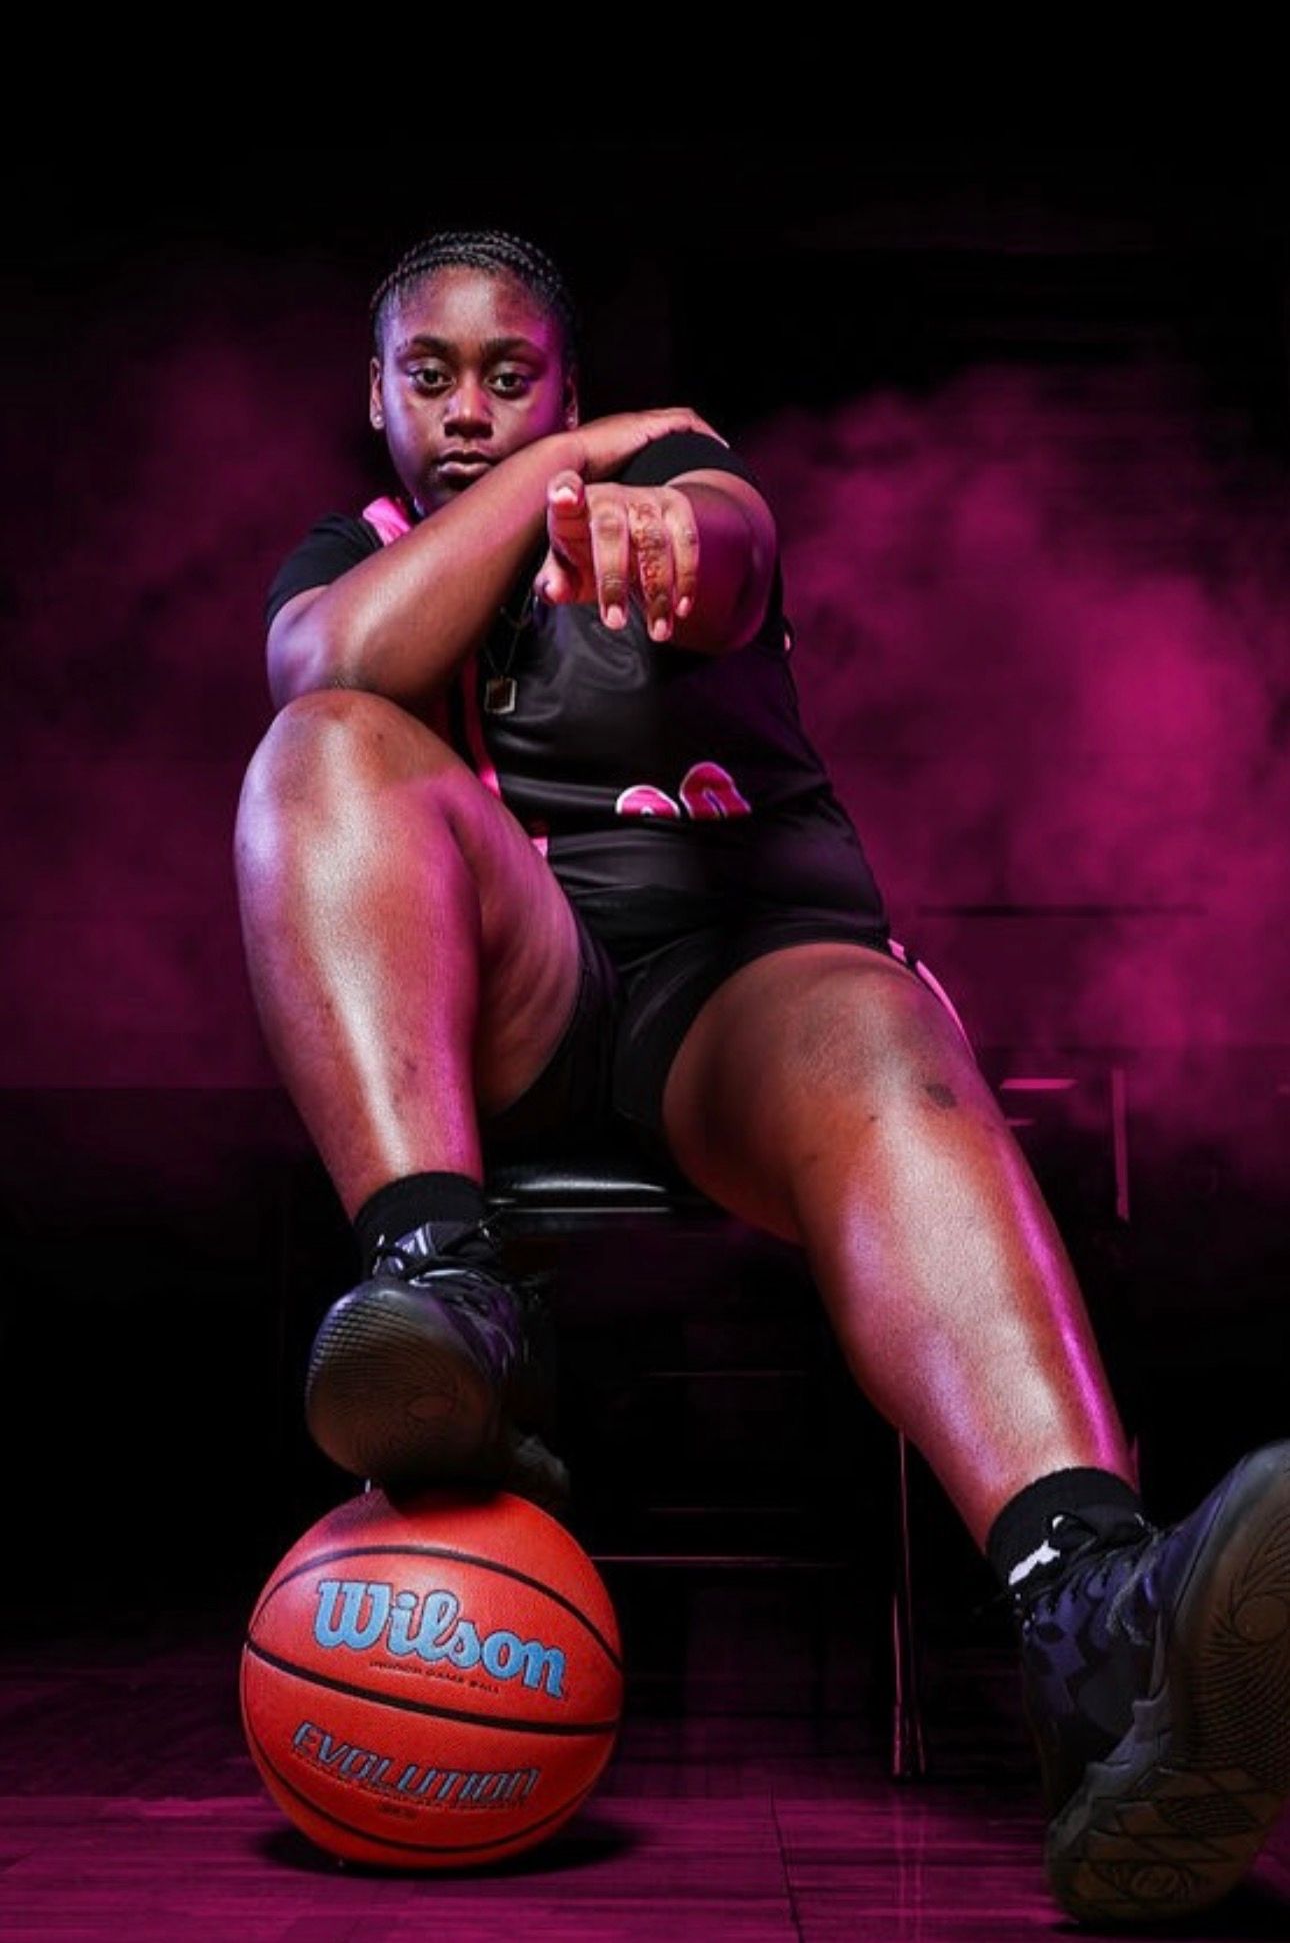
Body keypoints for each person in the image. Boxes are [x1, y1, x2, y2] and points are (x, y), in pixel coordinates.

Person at [234, 227, 1290, 1927]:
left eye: (518, 379)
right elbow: (330, 666)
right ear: (374, 398)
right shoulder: (352, 552)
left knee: (879, 1022)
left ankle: (1097, 1632)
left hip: (733, 997)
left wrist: (654, 490)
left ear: (571, 380)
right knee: (320, 745)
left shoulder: (680, 477)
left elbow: (725, 560)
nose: (472, 410)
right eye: (431, 376)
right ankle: (437, 1282)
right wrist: (564, 461)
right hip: (503, 999)